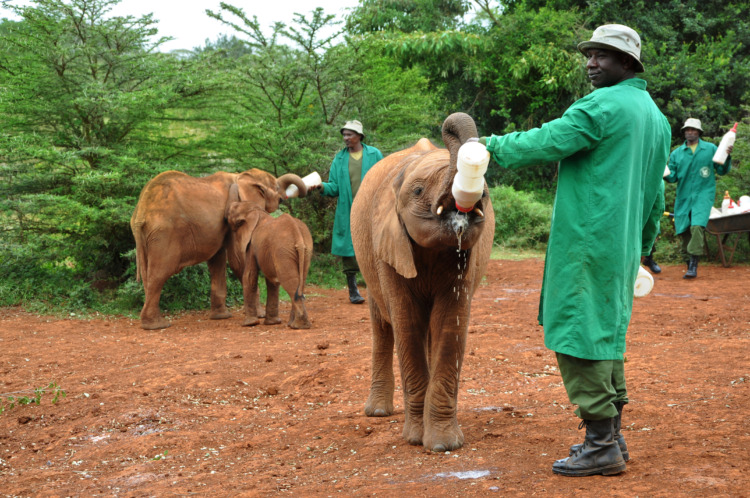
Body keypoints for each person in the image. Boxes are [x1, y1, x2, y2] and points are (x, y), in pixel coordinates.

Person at [479, 24, 670, 476]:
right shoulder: (656, 118)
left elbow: (545, 140)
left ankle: (600, 442)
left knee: (579, 334)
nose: (591, 63)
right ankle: (613, 437)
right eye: (589, 54)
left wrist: (483, 146)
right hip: (619, 249)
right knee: (605, 334)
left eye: (603, 55)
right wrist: (640, 250)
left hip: (586, 244)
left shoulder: (602, 106)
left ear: (628, 63)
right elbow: (655, 198)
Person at [317, 120, 383, 303]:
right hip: (348, 209)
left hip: (371, 208)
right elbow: (334, 187)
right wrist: (320, 187)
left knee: (373, 246)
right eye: (344, 135)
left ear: (359, 136)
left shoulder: (374, 154)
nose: (346, 138)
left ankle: (376, 290)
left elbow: (385, 177)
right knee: (349, 249)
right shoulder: (339, 158)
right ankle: (353, 291)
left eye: (349, 135)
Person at [665, 118, 733, 278]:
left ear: (699, 132)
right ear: (684, 132)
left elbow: (721, 170)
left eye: (694, 130)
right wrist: (664, 173)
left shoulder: (710, 149)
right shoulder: (676, 153)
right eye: (687, 129)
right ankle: (689, 262)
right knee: (683, 229)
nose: (690, 132)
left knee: (697, 226)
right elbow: (673, 177)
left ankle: (693, 266)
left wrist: (727, 156)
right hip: (683, 196)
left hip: (703, 194)